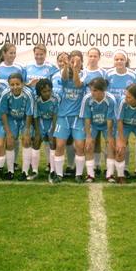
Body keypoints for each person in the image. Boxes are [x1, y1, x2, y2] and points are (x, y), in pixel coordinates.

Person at [52, 50, 87, 183]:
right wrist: (67, 66)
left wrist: (76, 69)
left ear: (82, 62)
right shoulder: (63, 71)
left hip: (78, 117)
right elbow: (65, 78)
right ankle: (59, 174)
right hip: (63, 115)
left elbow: (78, 84)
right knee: (60, 145)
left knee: (79, 145)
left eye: (78, 60)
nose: (75, 63)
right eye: (72, 60)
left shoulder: (85, 73)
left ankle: (78, 174)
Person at [105, 50, 136, 178]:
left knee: (125, 142)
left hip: (127, 113)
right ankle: (110, 169)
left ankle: (125, 168)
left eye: (121, 59)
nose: (119, 61)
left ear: (126, 60)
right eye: (116, 59)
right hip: (112, 113)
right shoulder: (108, 74)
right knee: (110, 141)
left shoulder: (132, 75)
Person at [80, 77, 117, 183]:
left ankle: (110, 174)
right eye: (91, 90)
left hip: (106, 125)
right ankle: (90, 175)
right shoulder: (87, 99)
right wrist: (88, 136)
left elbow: (110, 119)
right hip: (93, 125)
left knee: (110, 146)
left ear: (103, 90)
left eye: (95, 90)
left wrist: (110, 136)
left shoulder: (110, 99)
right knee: (89, 146)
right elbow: (86, 118)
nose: (92, 92)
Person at [0, 73, 35, 180]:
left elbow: (29, 113)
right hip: (11, 118)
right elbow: (3, 113)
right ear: (9, 85)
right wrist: (8, 132)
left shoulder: (28, 94)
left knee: (26, 141)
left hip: (24, 119)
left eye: (17, 84)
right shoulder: (5, 94)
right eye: (12, 84)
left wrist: (27, 130)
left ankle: (25, 171)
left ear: (23, 84)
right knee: (10, 142)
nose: (15, 87)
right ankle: (10, 171)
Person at [33, 78, 59, 182]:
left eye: (49, 91)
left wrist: (52, 130)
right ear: (39, 92)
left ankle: (52, 170)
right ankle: (34, 170)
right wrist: (38, 132)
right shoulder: (36, 100)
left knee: (52, 141)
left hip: (52, 122)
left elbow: (55, 115)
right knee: (36, 141)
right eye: (44, 91)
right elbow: (35, 116)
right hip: (41, 121)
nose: (47, 93)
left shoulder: (55, 98)